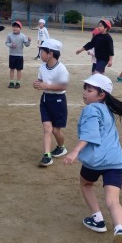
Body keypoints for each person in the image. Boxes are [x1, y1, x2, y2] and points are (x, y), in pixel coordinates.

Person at [63, 73, 122, 243]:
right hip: (116, 161)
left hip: (96, 161)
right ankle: (119, 229)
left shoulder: (91, 109)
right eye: (85, 89)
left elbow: (90, 134)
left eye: (89, 90)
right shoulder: (107, 109)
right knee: (113, 201)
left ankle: (97, 219)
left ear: (101, 95)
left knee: (86, 183)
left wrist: (75, 151)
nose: (84, 93)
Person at [33, 39, 69, 167]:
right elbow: (40, 81)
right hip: (45, 100)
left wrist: (46, 86)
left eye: (42, 51)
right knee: (47, 128)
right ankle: (47, 156)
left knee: (55, 130)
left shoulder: (61, 69)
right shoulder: (42, 67)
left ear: (50, 53)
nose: (40, 54)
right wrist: (37, 84)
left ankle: (61, 147)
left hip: (58, 101)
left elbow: (64, 86)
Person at [5, 20, 31, 88]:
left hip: (19, 56)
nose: (15, 28)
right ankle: (11, 82)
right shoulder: (9, 35)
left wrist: (29, 41)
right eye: (14, 26)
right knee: (12, 69)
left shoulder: (23, 36)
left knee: (19, 69)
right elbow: (6, 43)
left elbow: (27, 45)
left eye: (17, 27)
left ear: (20, 28)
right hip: (12, 55)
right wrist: (11, 45)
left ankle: (18, 82)